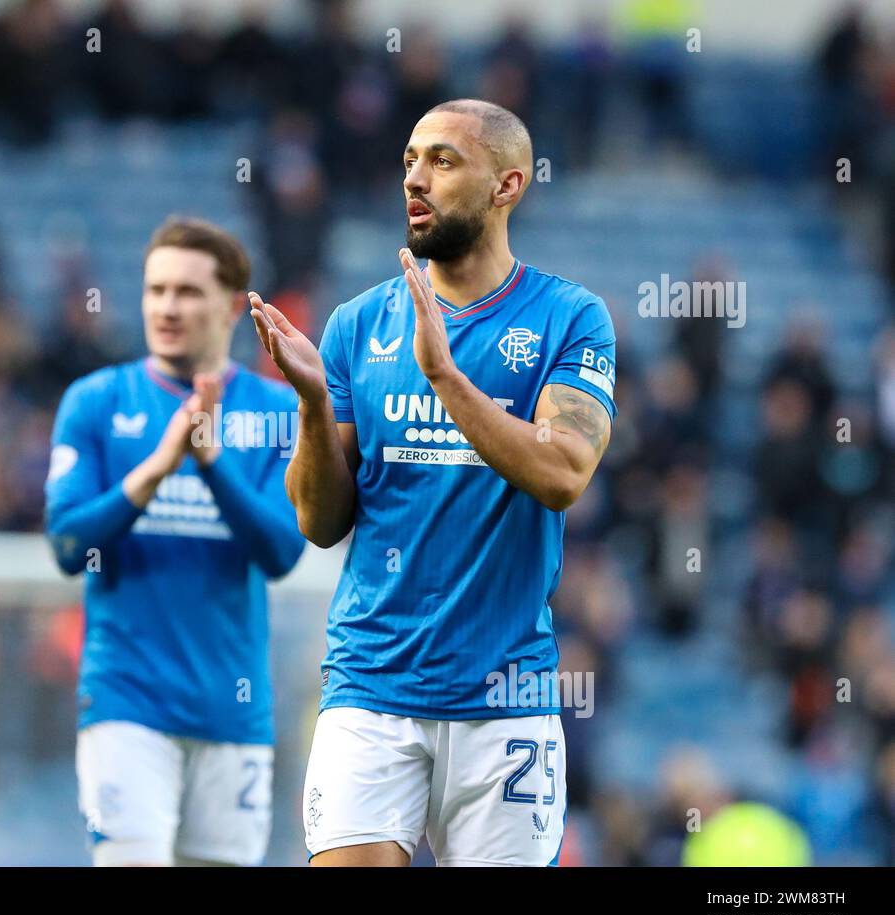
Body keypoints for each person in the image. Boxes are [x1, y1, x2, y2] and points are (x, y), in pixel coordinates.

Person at [251, 99, 617, 866]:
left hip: (504, 702)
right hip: (370, 686)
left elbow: (562, 473)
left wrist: (445, 377)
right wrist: (315, 405)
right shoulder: (356, 325)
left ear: (507, 184)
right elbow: (319, 521)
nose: (416, 178)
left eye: (444, 161)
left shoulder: (569, 319)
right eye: (410, 160)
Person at [45, 217, 305, 866]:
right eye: (155, 289)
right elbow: (68, 544)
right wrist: (158, 467)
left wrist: (212, 463)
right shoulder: (97, 401)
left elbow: (282, 552)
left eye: (187, 292)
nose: (166, 306)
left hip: (232, 711)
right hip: (125, 702)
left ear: (230, 307)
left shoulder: (279, 413)